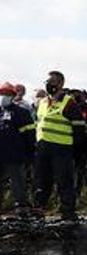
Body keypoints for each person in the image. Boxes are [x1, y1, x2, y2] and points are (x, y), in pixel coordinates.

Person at [33, 71, 87, 221]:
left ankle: (68, 211)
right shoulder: (43, 102)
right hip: (43, 147)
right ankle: (39, 208)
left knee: (64, 180)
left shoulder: (69, 102)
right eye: (47, 81)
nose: (48, 84)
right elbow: (39, 123)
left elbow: (79, 127)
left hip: (61, 148)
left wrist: (75, 149)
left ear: (61, 84)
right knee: (41, 180)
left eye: (52, 82)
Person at [0, 83, 35, 214]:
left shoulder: (21, 112)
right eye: (1, 94)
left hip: (15, 155)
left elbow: (29, 135)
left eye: (6, 94)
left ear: (13, 96)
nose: (3, 97)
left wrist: (29, 153)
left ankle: (21, 207)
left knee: (18, 183)